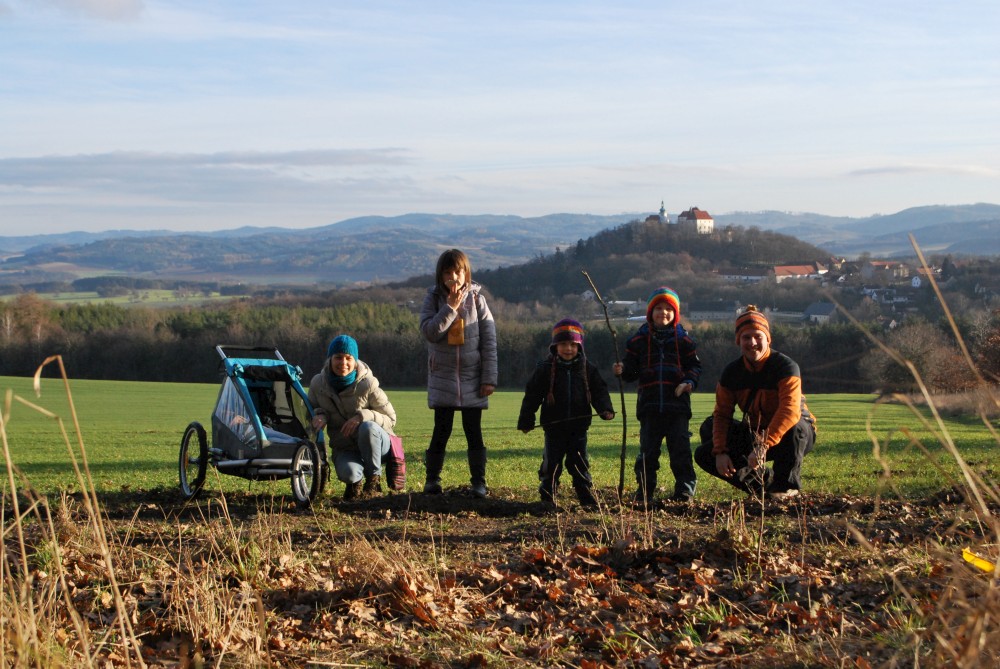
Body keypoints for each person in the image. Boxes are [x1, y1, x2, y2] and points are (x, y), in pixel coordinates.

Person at [694, 305, 816, 500]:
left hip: (792, 435)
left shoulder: (786, 367)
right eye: (746, 337)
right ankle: (764, 485)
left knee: (796, 427)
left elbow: (789, 411)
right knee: (707, 440)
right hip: (756, 431)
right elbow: (722, 414)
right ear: (738, 341)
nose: (752, 343)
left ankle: (785, 486)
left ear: (768, 338)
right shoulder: (731, 373)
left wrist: (763, 445)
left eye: (758, 336)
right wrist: (720, 451)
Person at [419, 249, 498, 498]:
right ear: (440, 275)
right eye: (448, 272)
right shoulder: (432, 300)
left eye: (458, 271)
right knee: (441, 431)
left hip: (472, 378)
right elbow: (430, 332)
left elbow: (489, 342)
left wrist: (489, 379)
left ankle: (479, 483)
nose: (453, 277)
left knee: (473, 432)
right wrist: (450, 308)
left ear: (466, 273)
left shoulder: (478, 301)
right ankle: (432, 481)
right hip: (442, 377)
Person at [613, 287, 702, 505]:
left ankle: (684, 492)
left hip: (678, 407)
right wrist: (622, 370)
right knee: (648, 453)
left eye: (669, 309)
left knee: (680, 451)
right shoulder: (638, 340)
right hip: (649, 406)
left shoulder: (684, 341)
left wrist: (688, 382)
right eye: (658, 308)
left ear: (675, 314)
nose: (663, 313)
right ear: (650, 312)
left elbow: (695, 367)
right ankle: (645, 491)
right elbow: (631, 373)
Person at [517, 318, 615, 509]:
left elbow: (599, 391)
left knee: (579, 463)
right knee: (551, 464)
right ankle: (547, 497)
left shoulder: (588, 369)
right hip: (553, 427)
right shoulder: (545, 368)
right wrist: (526, 420)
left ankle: (586, 497)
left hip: (579, 428)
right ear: (555, 346)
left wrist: (606, 409)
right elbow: (532, 396)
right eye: (563, 344)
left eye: (572, 344)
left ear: (580, 346)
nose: (568, 348)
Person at [308, 335, 397, 501]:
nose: (343, 363)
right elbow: (310, 412)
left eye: (348, 358)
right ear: (330, 359)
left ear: (355, 361)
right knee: (348, 474)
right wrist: (320, 414)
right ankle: (354, 485)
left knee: (367, 428)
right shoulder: (318, 384)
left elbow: (391, 419)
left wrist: (363, 416)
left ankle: (373, 482)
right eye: (338, 357)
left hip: (378, 445)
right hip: (345, 447)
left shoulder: (368, 384)